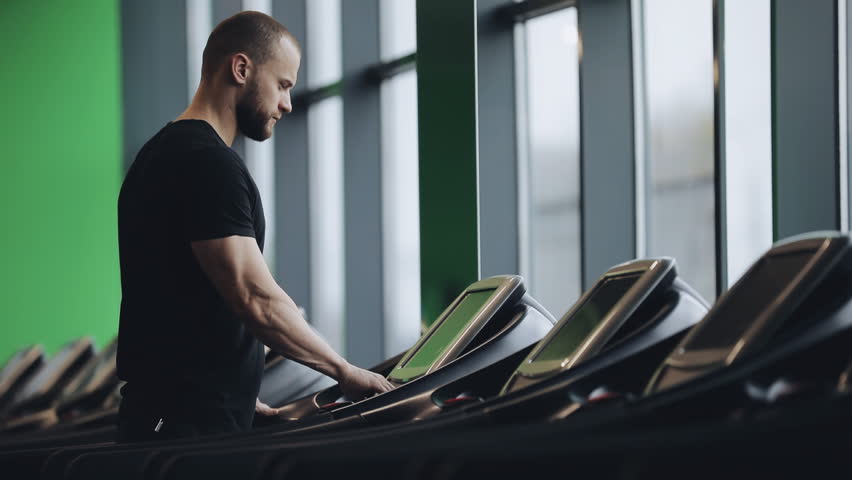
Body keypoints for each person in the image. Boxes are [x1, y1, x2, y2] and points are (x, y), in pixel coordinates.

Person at [116, 11, 393, 443]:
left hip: (182, 414)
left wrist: (236, 396)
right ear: (241, 68)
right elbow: (254, 295)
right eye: (282, 85)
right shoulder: (207, 163)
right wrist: (344, 370)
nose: (287, 104)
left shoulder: (163, 151)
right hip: (185, 431)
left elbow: (182, 295)